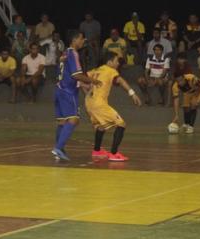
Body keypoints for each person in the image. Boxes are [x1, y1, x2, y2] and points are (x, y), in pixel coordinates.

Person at [52, 31, 101, 161]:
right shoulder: (73, 53)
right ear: (74, 40)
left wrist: (82, 85)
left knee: (62, 121)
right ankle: (58, 147)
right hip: (68, 92)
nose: (83, 41)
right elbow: (75, 75)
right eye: (81, 38)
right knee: (74, 119)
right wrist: (92, 81)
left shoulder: (64, 53)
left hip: (59, 90)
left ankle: (59, 149)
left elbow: (66, 75)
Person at [86, 52, 142, 162]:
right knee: (121, 124)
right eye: (116, 61)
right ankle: (114, 153)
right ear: (109, 62)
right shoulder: (110, 70)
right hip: (99, 103)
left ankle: (97, 151)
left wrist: (87, 91)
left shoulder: (97, 69)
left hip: (89, 102)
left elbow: (82, 80)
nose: (117, 63)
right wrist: (133, 94)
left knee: (101, 126)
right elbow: (120, 81)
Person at [171, 53, 200, 134]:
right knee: (185, 106)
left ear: (184, 77)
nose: (180, 83)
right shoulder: (175, 86)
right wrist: (176, 115)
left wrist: (199, 99)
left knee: (193, 105)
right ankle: (186, 123)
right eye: (178, 81)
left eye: (181, 80)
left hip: (199, 91)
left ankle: (191, 126)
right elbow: (176, 100)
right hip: (188, 92)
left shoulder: (192, 78)